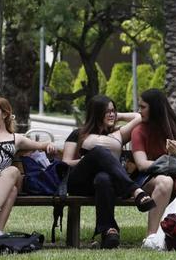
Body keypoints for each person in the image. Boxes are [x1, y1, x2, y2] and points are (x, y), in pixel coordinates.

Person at [62, 95, 156, 249]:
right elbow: (65, 163)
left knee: (103, 177)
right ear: (96, 113)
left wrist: (119, 115)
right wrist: (91, 160)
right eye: (107, 112)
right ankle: (136, 191)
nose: (112, 114)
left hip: (109, 184)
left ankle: (109, 231)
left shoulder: (119, 133)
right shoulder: (78, 133)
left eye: (113, 111)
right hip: (80, 182)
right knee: (99, 152)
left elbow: (138, 116)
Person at [130, 88, 176, 250]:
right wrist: (164, 161)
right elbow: (141, 164)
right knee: (165, 182)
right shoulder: (139, 130)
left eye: (143, 107)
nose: (139, 110)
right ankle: (151, 237)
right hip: (149, 179)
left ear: (155, 108)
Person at [0, 97, 56, 236]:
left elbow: (40, 145)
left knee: (13, 178)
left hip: (4, 180)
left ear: (4, 114)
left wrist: (48, 145)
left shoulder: (16, 138)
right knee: (10, 187)